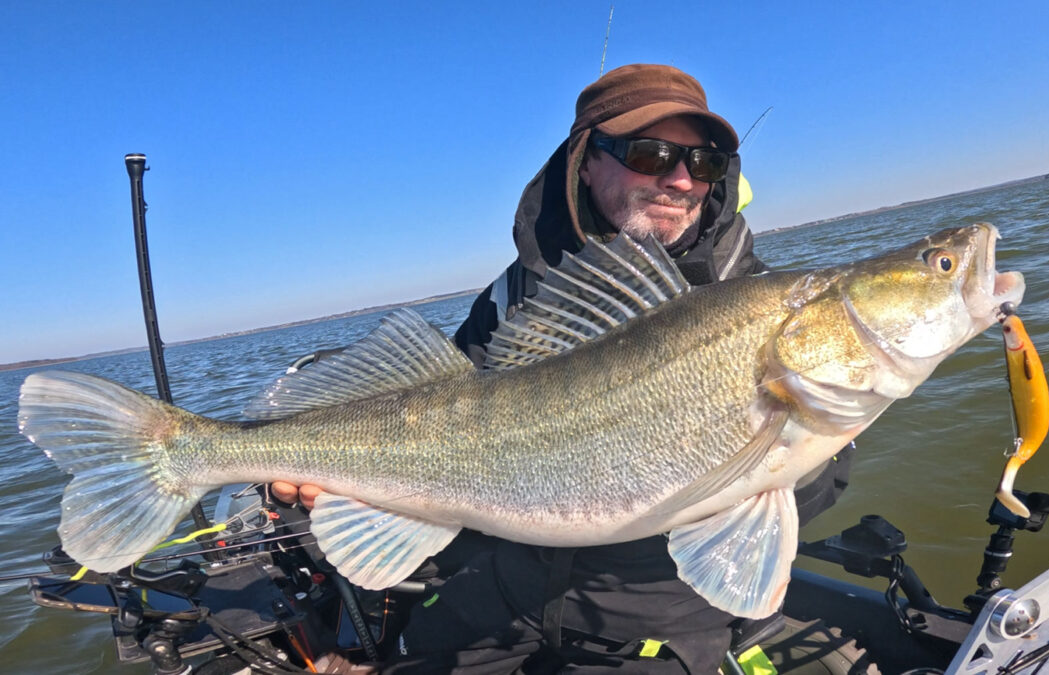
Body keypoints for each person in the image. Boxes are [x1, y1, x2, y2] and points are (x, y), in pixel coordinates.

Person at [272, 64, 853, 673]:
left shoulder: (765, 304)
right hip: (504, 589)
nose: (682, 180)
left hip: (652, 623)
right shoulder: (514, 295)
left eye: (704, 163)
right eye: (651, 154)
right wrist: (329, 471)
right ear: (586, 160)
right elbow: (429, 407)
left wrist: (786, 459)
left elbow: (824, 485)